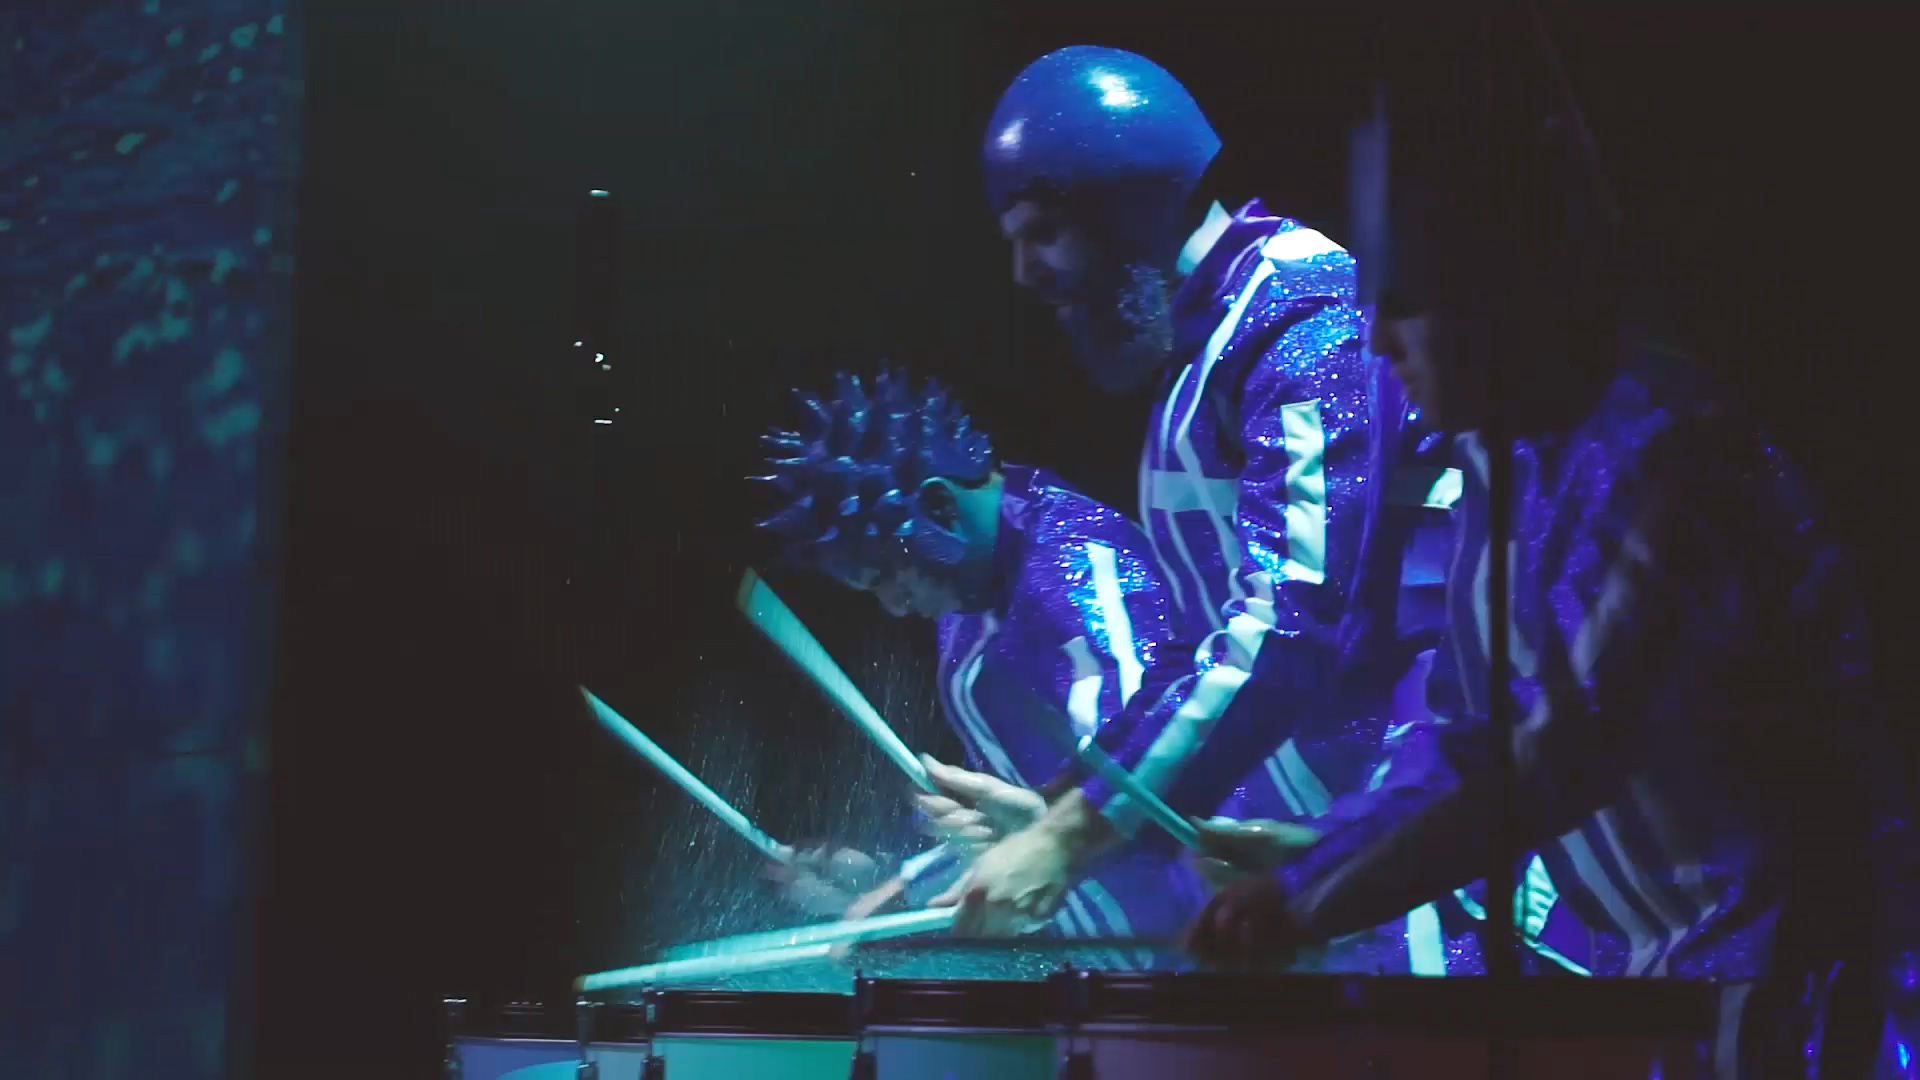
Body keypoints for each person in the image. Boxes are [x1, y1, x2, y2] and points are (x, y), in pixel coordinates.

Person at [1185, 10, 1919, 1074]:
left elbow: (1558, 750)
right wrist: (1325, 854)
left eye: (1407, 302)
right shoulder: (1503, 468)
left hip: (1813, 1001)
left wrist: (1313, 893)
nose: (1379, 342)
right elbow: (1463, 731)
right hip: (1670, 995)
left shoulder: (1669, 458)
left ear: (1500, 289)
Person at [948, 44, 1581, 977]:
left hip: (1451, 885)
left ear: (1125, 203)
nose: (1024, 273)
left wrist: (1073, 836)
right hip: (1360, 850)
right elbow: (1211, 653)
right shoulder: (1212, 347)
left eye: (1040, 232)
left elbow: (1291, 623)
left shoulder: (1299, 315)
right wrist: (1063, 810)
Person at [754, 369, 1226, 961]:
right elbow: (1026, 815)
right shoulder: (967, 602)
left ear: (938, 507)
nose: (894, 607)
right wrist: (896, 885)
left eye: (888, 576)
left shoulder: (1079, 574)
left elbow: (1152, 789)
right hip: (1104, 968)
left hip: (1193, 969)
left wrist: (1018, 836)